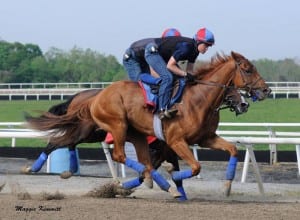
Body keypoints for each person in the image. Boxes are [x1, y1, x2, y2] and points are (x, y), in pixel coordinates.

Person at [123, 27, 215, 119]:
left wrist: (193, 79)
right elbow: (170, 66)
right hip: (142, 54)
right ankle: (162, 110)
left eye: (209, 46)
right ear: (198, 42)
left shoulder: (194, 52)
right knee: (167, 78)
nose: (207, 49)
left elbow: (189, 71)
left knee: (175, 78)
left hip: (150, 51)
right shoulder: (186, 47)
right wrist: (185, 74)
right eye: (206, 45)